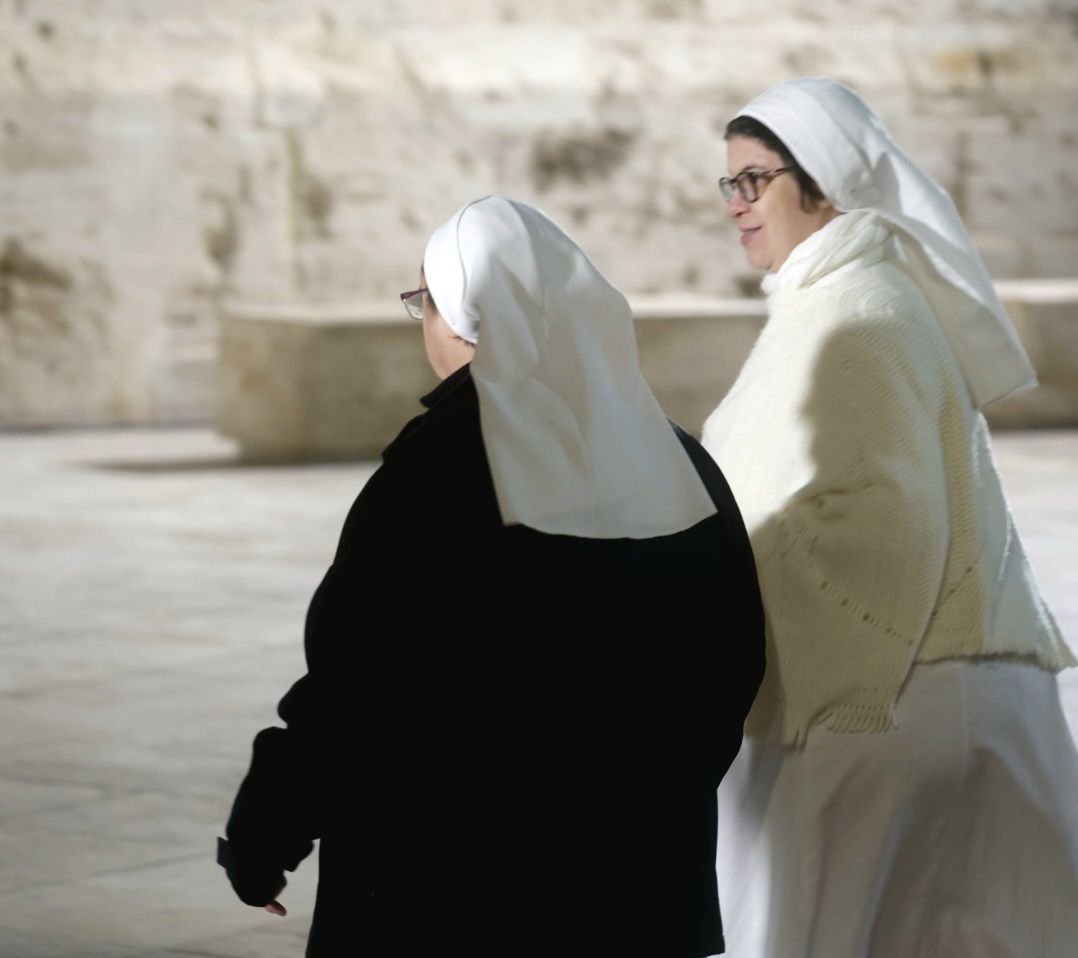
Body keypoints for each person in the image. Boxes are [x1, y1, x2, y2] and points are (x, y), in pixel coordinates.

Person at [217, 196, 765, 957]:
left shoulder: (435, 468)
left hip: (450, 893)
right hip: (640, 889)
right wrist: (652, 799)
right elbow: (734, 659)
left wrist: (264, 835)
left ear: (461, 317)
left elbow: (355, 685)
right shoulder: (674, 460)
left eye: (425, 305)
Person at [703, 78, 1078, 956]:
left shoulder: (856, 317)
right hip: (955, 684)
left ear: (820, 183)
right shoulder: (844, 299)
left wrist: (701, 577)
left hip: (894, 699)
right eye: (731, 185)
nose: (736, 207)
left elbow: (878, 522)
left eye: (755, 181)